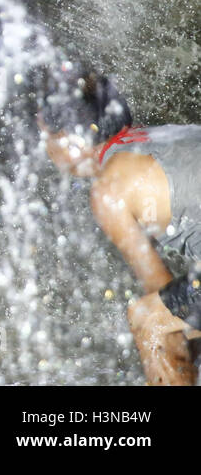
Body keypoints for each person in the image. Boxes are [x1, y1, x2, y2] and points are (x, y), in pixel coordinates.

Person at [39, 68, 200, 385]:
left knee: (148, 321)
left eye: (46, 136)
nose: (44, 148)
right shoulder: (161, 136)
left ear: (72, 140)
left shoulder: (109, 189)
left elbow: (161, 293)